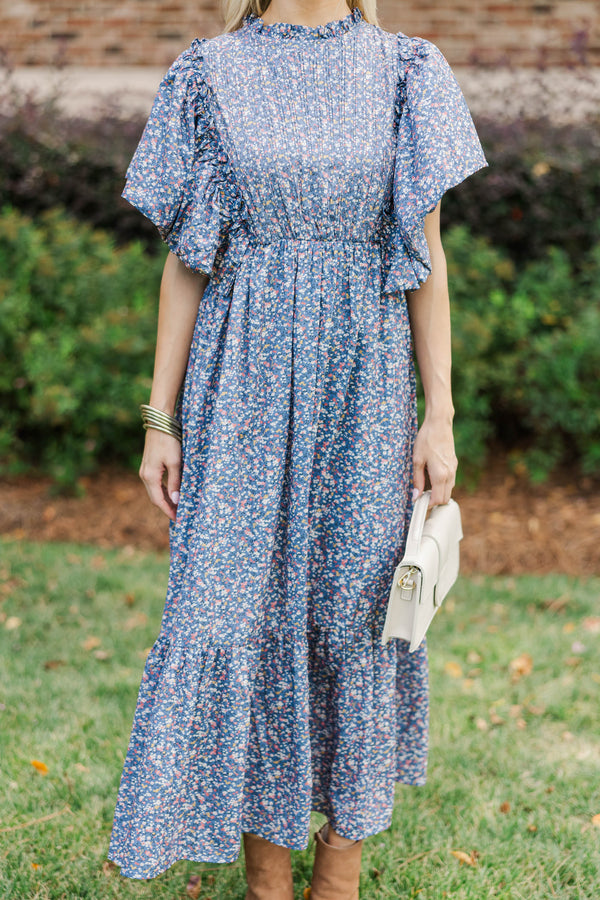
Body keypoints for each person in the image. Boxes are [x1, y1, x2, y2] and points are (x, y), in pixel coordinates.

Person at [108, 0, 487, 896]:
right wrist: (161, 418)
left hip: (365, 382)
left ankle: (339, 871)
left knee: (355, 610)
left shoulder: (407, 71)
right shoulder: (207, 74)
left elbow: (427, 257)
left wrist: (440, 414)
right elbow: (187, 260)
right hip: (240, 383)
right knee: (228, 611)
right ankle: (268, 880)